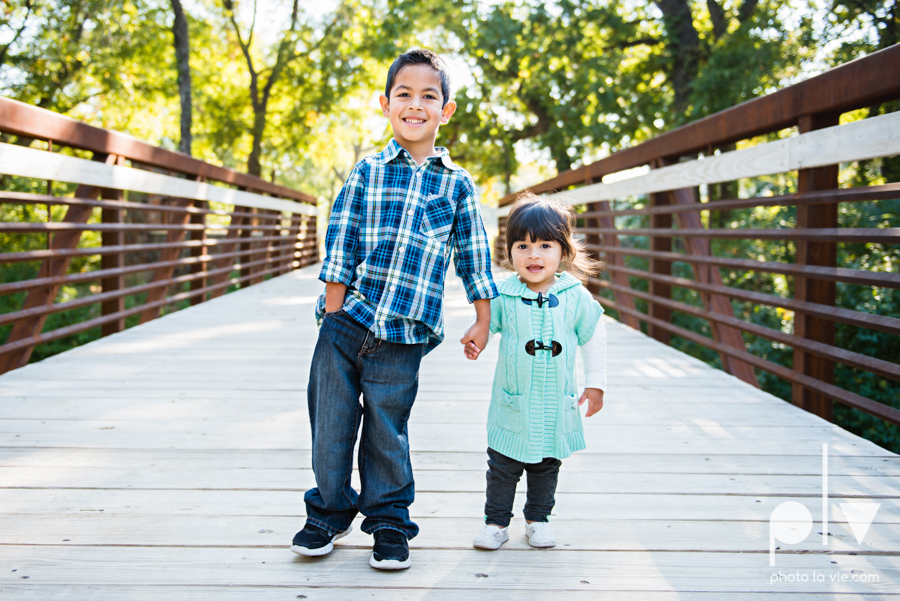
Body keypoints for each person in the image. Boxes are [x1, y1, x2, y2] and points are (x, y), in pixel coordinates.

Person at [290, 48, 499, 570]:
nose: (415, 104)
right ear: (386, 105)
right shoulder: (368, 170)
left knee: (387, 430)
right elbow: (341, 236)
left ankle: (388, 521)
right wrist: (333, 310)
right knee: (331, 425)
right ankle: (329, 512)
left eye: (429, 96)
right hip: (347, 321)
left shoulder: (457, 184)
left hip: (405, 335)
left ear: (445, 111)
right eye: (403, 95)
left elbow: (473, 254)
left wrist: (482, 316)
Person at [462, 192, 607, 550]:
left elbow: (594, 334)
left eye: (545, 245)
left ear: (564, 251)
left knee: (546, 465)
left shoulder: (574, 296)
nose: (534, 255)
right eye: (523, 246)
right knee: (502, 465)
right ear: (510, 252)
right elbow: (487, 323)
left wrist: (596, 383)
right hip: (513, 403)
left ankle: (538, 520)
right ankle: (496, 523)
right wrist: (476, 338)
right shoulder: (504, 293)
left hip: (555, 402)